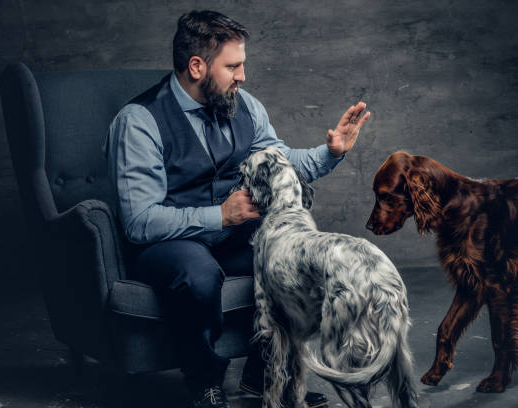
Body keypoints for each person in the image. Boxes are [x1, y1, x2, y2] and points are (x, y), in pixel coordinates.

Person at [104, 9, 370, 408]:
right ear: (197, 66)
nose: (242, 75)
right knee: (199, 275)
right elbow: (140, 221)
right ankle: (205, 381)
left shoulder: (244, 105)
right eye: (233, 66)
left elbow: (280, 160)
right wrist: (219, 216)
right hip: (167, 242)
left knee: (299, 257)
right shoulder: (139, 122)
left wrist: (330, 153)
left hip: (231, 233)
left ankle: (264, 378)